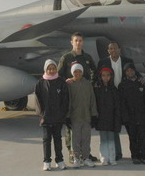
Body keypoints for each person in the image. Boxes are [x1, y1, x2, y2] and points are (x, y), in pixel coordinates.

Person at [96, 41, 145, 160]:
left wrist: (141, 78)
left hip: (125, 96)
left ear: (119, 49)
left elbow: (133, 71)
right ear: (108, 51)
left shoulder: (127, 60)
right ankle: (117, 153)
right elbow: (98, 76)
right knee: (113, 125)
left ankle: (137, 153)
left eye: (115, 48)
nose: (113, 50)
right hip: (111, 95)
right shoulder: (102, 62)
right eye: (111, 49)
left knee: (130, 127)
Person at [57, 32, 97, 162]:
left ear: (83, 42)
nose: (78, 43)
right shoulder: (66, 57)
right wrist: (66, 81)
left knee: (85, 126)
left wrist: (89, 84)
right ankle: (71, 152)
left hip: (84, 93)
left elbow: (94, 71)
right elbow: (58, 75)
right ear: (72, 42)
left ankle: (85, 153)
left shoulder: (87, 57)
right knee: (71, 126)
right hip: (71, 93)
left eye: (80, 40)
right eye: (76, 41)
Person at [35, 59, 69, 171]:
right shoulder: (40, 83)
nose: (51, 70)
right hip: (46, 118)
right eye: (49, 68)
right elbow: (38, 100)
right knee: (46, 140)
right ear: (45, 69)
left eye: (53, 68)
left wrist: (62, 113)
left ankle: (59, 160)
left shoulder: (61, 82)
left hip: (58, 118)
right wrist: (42, 114)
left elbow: (65, 99)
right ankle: (47, 161)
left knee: (58, 139)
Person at [119, 63, 145, 165]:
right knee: (132, 138)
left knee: (142, 137)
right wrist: (124, 117)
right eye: (127, 71)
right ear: (125, 73)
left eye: (131, 70)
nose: (130, 72)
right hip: (130, 117)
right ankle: (135, 156)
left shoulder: (142, 84)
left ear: (135, 71)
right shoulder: (123, 85)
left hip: (141, 115)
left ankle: (144, 156)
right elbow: (122, 103)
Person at [66, 63, 98, 168]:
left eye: (79, 71)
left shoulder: (87, 84)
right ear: (72, 73)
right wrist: (67, 116)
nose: (78, 73)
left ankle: (86, 157)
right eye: (75, 72)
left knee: (86, 138)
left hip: (86, 116)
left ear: (82, 72)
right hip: (75, 116)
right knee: (75, 138)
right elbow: (68, 100)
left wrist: (94, 115)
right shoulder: (70, 84)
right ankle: (76, 158)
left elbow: (92, 100)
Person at [93, 67, 122, 166]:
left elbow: (117, 106)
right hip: (101, 118)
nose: (106, 77)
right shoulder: (97, 89)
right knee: (103, 139)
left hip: (111, 118)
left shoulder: (114, 89)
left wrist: (117, 118)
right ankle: (104, 157)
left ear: (111, 76)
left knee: (111, 138)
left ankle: (112, 157)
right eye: (103, 75)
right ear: (100, 77)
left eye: (108, 75)